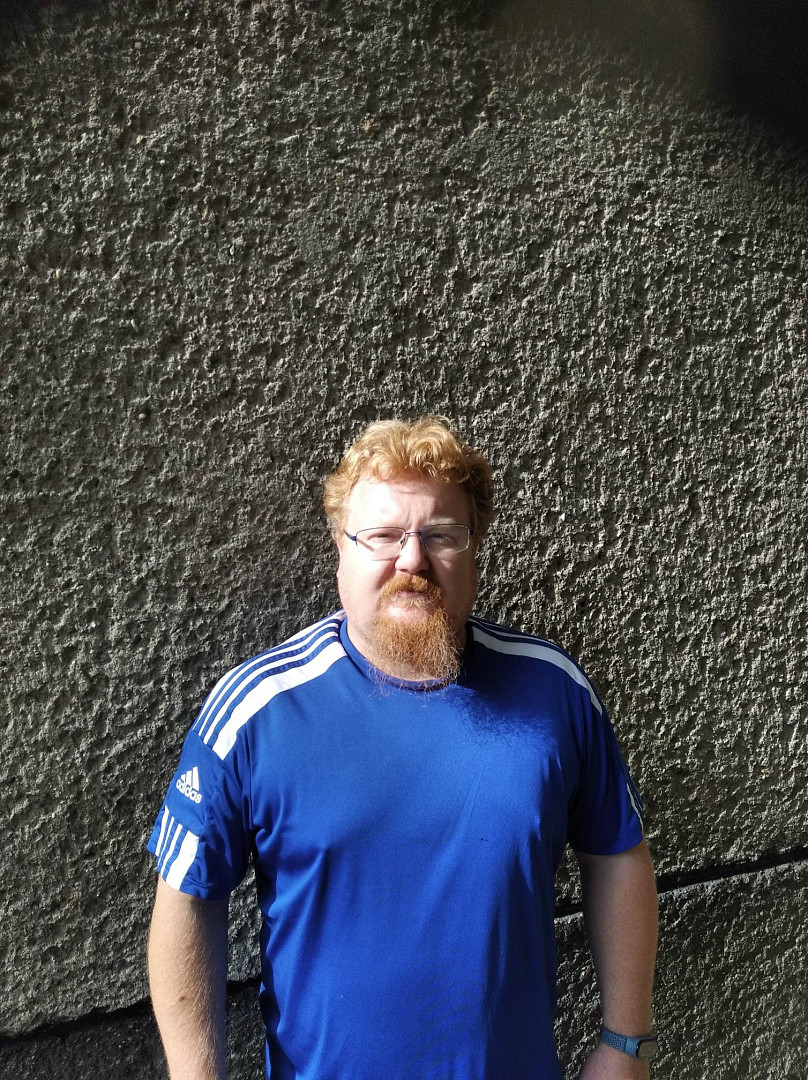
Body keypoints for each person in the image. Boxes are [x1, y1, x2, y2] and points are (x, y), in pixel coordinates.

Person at [147, 416, 658, 1080]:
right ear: (340, 547)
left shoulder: (553, 691)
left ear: (474, 548)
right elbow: (187, 896)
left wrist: (625, 1044)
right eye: (383, 536)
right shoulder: (259, 709)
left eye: (440, 534)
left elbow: (616, 852)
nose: (412, 560)